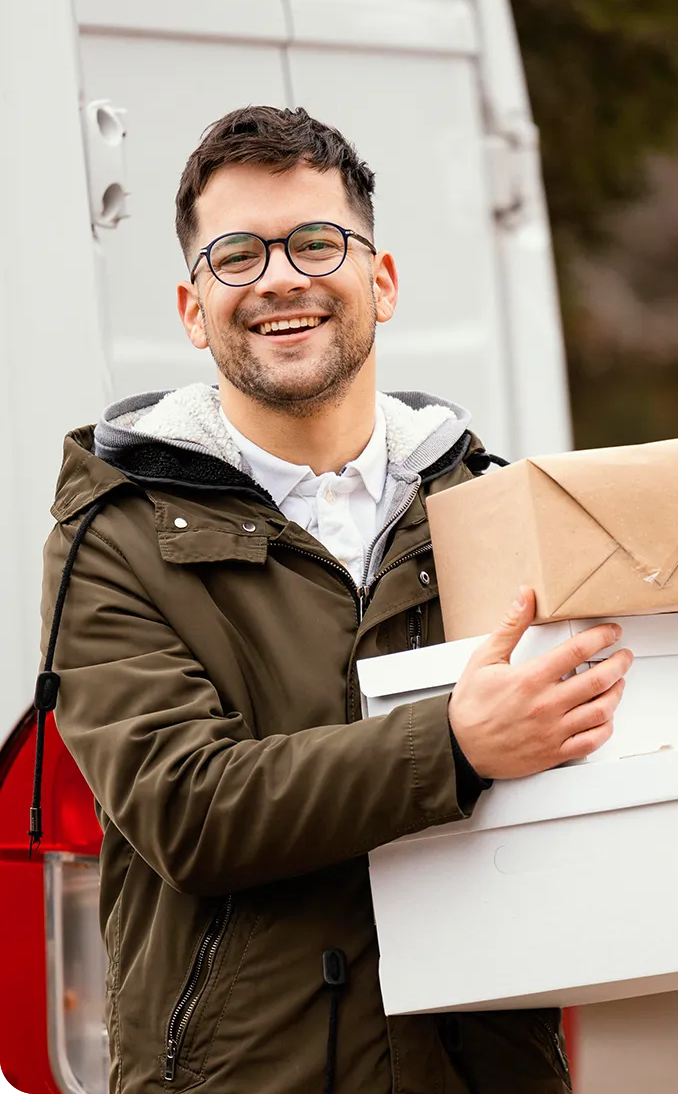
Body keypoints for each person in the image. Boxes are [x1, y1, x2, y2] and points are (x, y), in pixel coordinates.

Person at [40, 106, 632, 1094]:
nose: (281, 278)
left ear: (381, 281)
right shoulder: (113, 534)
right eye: (238, 255)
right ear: (193, 309)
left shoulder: (484, 504)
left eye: (316, 242)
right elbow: (185, 810)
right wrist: (453, 746)